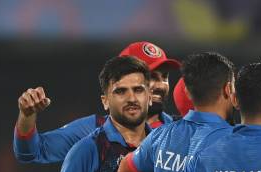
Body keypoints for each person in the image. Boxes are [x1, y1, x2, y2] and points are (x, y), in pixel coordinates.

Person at [13, 41, 181, 163]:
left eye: (164, 77)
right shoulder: (92, 130)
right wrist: (27, 115)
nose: (160, 85)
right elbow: (32, 152)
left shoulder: (183, 130)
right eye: (151, 77)